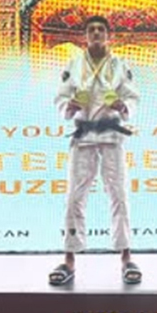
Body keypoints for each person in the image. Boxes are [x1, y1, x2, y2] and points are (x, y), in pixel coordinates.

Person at [49, 15, 141, 286]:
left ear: (109, 35)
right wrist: (70, 106)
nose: (97, 33)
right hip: (84, 134)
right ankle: (69, 259)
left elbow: (133, 96)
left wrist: (122, 106)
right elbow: (61, 96)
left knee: (118, 194)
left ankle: (126, 256)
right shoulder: (74, 65)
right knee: (74, 196)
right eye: (92, 30)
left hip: (111, 133)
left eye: (101, 29)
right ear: (85, 36)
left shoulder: (119, 65)